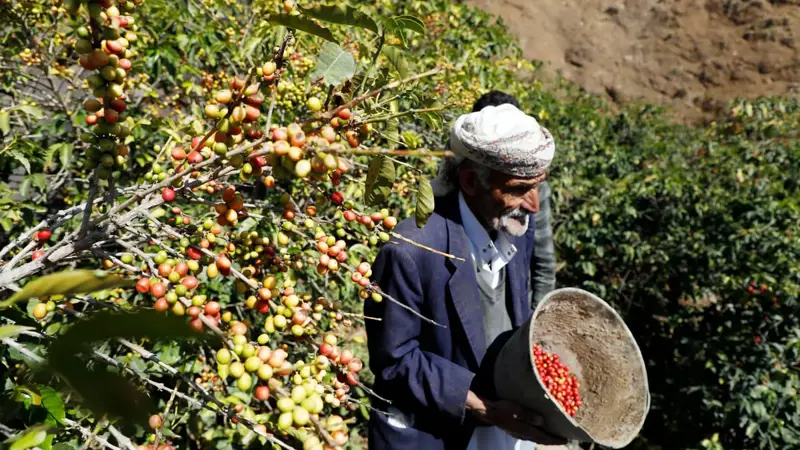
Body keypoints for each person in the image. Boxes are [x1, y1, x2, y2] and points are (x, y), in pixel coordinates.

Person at [365, 102, 566, 450]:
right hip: (436, 432)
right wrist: (482, 408)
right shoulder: (411, 251)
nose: (534, 205)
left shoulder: (515, 224)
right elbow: (394, 361)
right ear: (471, 182)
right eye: (520, 188)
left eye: (538, 186)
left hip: (501, 420)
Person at [471, 91, 557, 307]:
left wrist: (535, 326)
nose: (533, 205)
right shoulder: (466, 189)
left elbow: (544, 265)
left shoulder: (537, 190)